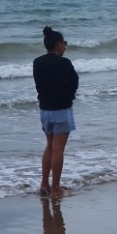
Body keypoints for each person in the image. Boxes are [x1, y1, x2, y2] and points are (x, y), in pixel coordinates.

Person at [33, 26, 79, 198]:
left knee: (50, 147)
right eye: (64, 44)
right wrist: (69, 94)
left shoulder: (37, 62)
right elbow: (74, 83)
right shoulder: (64, 63)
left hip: (44, 109)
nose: (65, 47)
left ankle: (44, 184)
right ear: (58, 44)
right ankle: (56, 188)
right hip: (62, 109)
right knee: (58, 149)